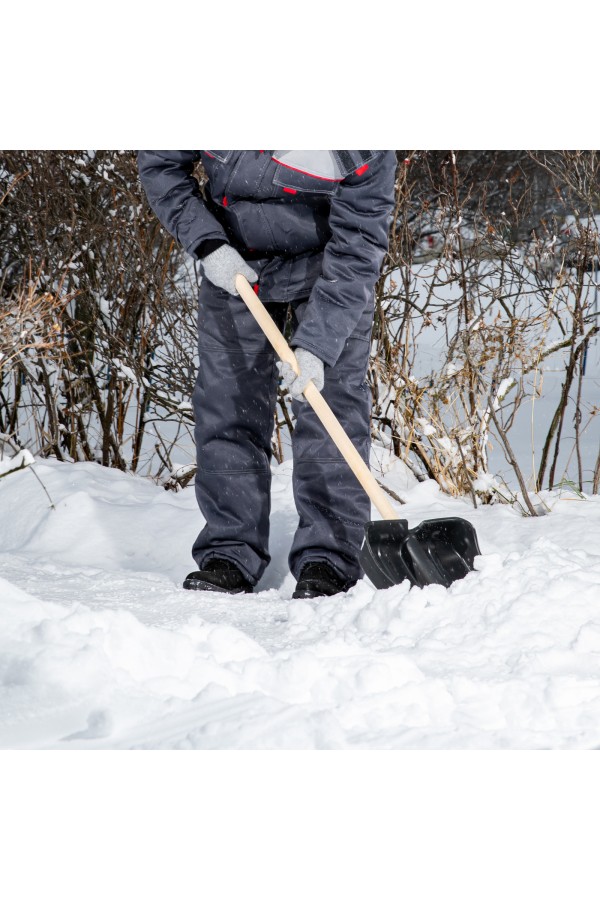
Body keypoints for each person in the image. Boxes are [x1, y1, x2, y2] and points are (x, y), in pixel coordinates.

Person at [137, 150, 396, 599]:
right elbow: (159, 164)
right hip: (233, 260)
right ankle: (230, 550)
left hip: (328, 268)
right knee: (227, 406)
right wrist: (207, 243)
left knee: (331, 405)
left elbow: (359, 242)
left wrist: (318, 344)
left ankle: (329, 558)